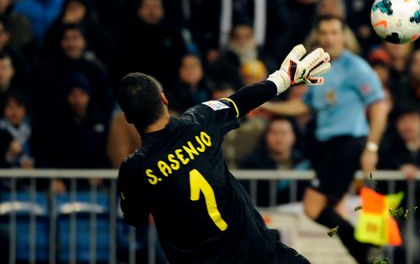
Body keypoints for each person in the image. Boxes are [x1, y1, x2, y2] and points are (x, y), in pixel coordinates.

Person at [117, 43, 331, 263]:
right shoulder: (199, 121)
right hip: (257, 254)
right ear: (163, 99)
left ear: (127, 117)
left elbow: (135, 218)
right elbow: (240, 101)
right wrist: (282, 79)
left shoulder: (134, 169)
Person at [261, 15, 388, 264]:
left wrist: (372, 147)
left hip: (347, 144)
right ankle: (364, 253)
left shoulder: (356, 67)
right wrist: (270, 108)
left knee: (313, 207)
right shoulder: (320, 69)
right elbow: (304, 106)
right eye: (324, 33)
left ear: (343, 36)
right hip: (327, 148)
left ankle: (366, 250)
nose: (329, 37)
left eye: (334, 32)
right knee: (334, 209)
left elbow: (379, 106)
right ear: (318, 37)